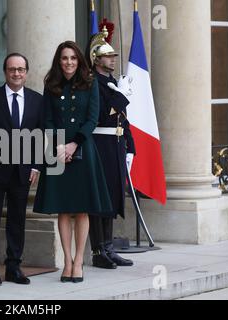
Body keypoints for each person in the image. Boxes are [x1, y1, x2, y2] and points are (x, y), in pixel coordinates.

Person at [33, 41, 113, 283]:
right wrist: (58, 145)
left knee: (81, 209)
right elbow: (46, 119)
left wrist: (73, 144)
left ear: (79, 61)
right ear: (59, 61)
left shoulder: (90, 83)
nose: (68, 62)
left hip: (82, 149)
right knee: (63, 208)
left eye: (73, 58)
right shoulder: (51, 84)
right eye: (64, 58)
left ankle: (79, 261)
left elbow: (92, 119)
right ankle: (66, 261)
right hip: (56, 150)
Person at [0, 53, 44, 286]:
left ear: (26, 72)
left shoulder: (37, 100)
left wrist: (36, 165)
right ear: (5, 72)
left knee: (17, 219)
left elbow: (39, 135)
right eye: (12, 69)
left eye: (21, 69)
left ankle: (14, 267)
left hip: (23, 171)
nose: (16, 73)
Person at [88, 27, 135, 269]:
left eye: (114, 55)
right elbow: (102, 117)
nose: (113, 59)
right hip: (100, 144)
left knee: (112, 197)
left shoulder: (112, 82)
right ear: (96, 58)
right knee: (100, 198)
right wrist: (122, 96)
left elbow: (121, 118)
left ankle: (108, 246)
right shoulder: (93, 83)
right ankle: (98, 251)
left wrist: (131, 147)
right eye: (108, 56)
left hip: (115, 144)